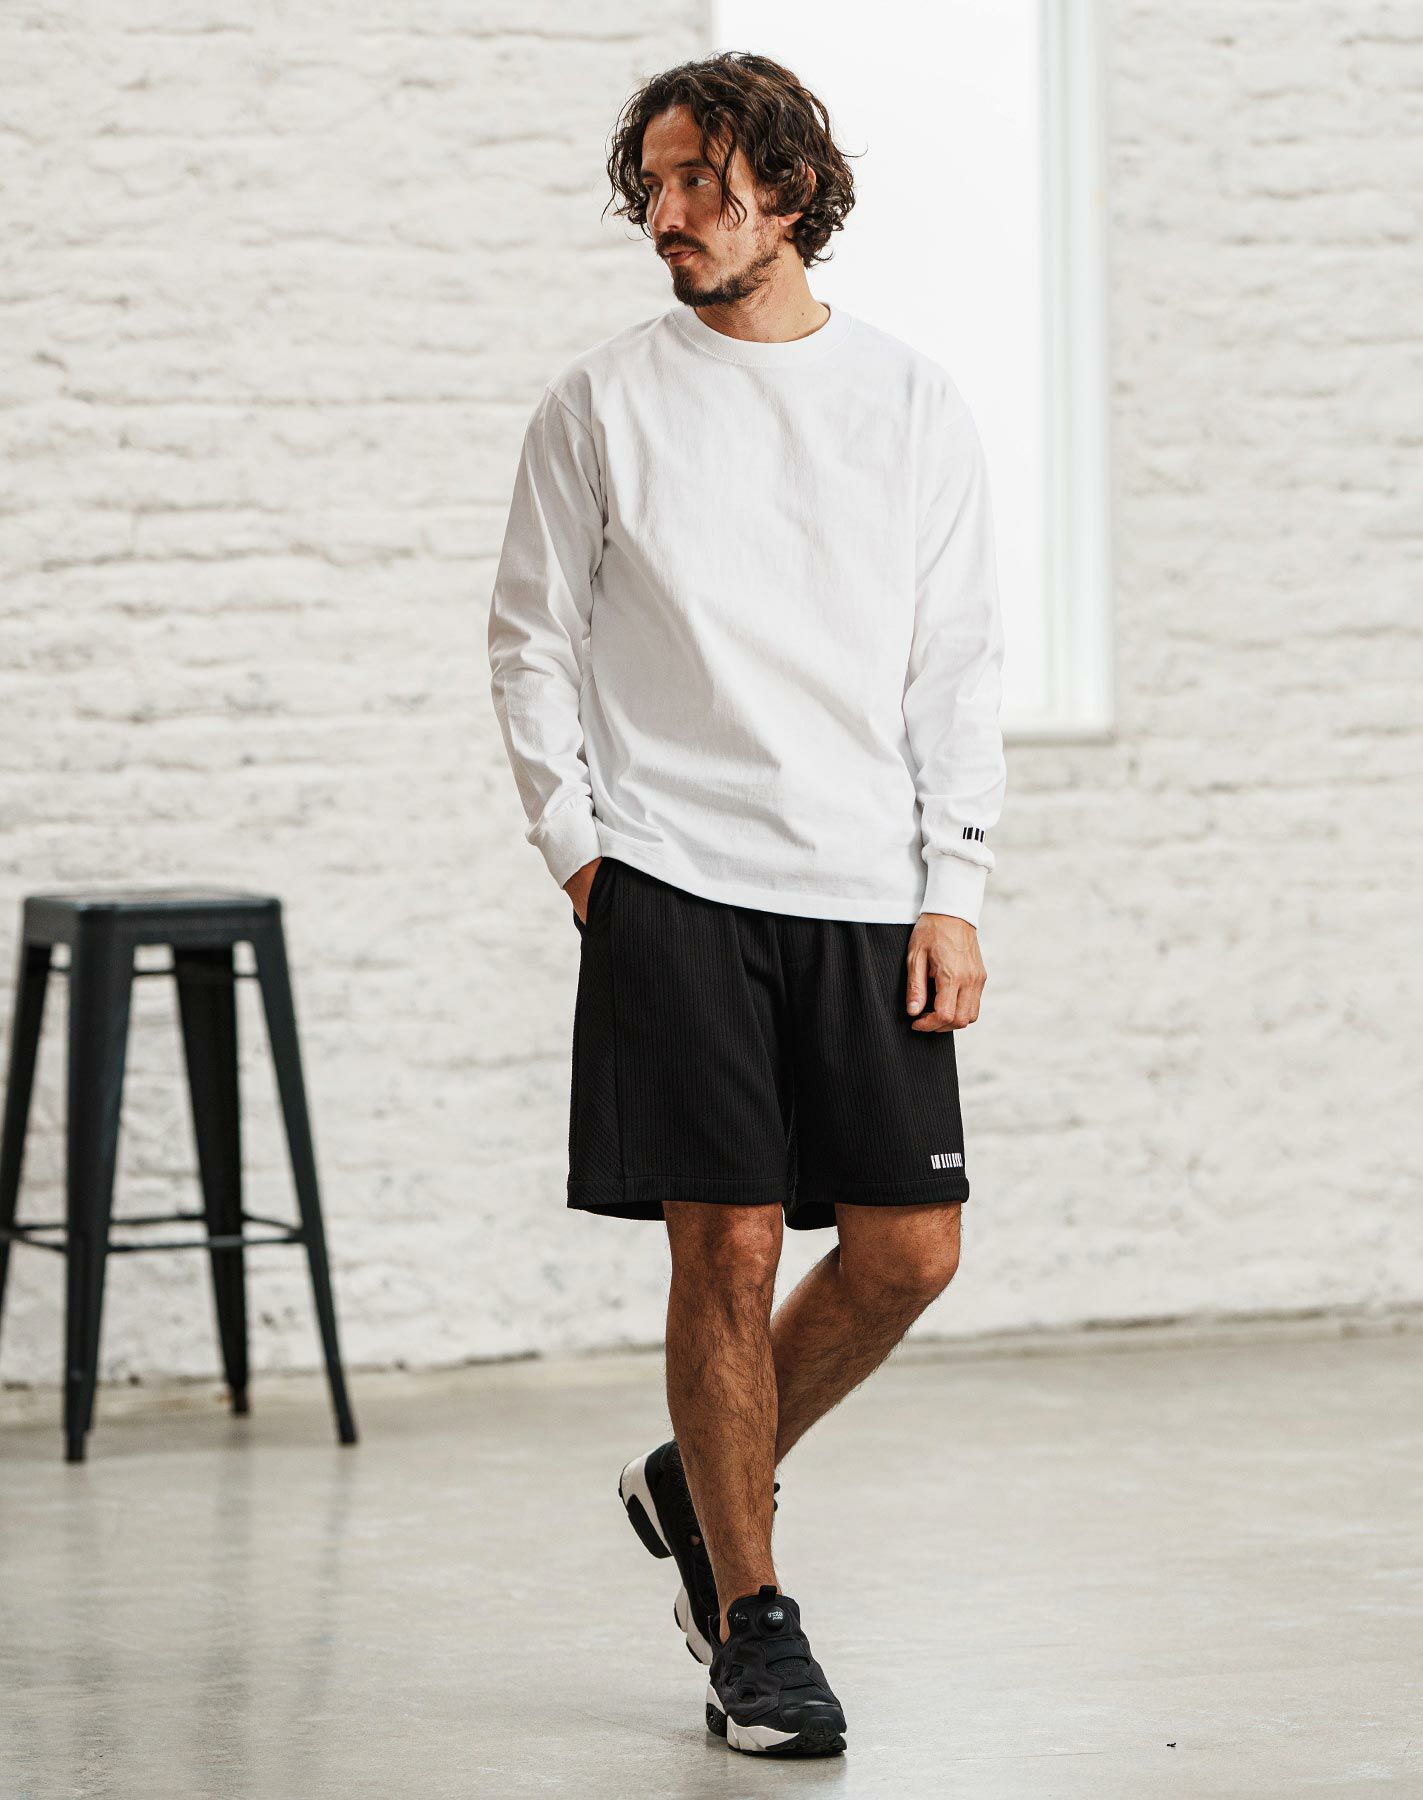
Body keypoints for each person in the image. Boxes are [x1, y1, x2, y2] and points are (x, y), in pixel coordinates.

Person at [487, 50, 1006, 1761]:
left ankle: (691, 1479)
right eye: (651, 182)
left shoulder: (911, 403)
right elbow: (529, 640)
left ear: (787, 187)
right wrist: (585, 857)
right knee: (726, 1245)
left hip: (864, 888)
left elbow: (956, 666)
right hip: (676, 881)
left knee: (910, 1251)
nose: (668, 212)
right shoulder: (600, 404)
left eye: (701, 179)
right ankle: (752, 1621)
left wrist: (953, 886)